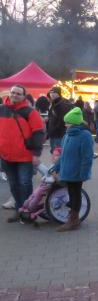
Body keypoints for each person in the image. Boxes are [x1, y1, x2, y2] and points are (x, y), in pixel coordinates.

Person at [0, 85, 45, 221]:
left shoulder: (30, 112)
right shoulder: (2, 109)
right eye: (13, 92)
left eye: (18, 93)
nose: (14, 95)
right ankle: (19, 210)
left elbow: (38, 133)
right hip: (6, 156)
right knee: (14, 185)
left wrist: (36, 154)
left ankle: (28, 211)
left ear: (23, 96)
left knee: (25, 184)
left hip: (24, 156)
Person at [52, 107, 94, 232]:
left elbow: (87, 156)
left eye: (67, 122)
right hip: (67, 171)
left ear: (74, 122)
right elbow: (63, 154)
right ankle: (73, 217)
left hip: (77, 172)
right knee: (71, 194)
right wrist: (56, 167)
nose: (65, 125)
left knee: (75, 195)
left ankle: (74, 220)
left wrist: (84, 173)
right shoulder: (67, 135)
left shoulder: (85, 135)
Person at [46, 87, 74, 153]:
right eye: (51, 93)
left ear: (58, 94)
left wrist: (53, 129)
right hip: (55, 132)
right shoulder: (55, 103)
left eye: (53, 93)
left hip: (59, 133)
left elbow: (61, 119)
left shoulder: (61, 104)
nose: (51, 94)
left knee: (58, 152)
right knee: (55, 152)